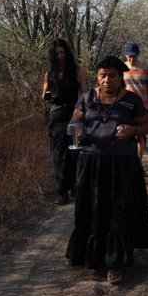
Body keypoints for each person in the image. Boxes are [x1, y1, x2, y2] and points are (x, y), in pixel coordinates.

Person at [65, 55, 148, 285]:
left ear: (120, 77)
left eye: (112, 76)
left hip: (122, 164)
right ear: (97, 77)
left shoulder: (131, 100)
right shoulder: (86, 99)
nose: (107, 80)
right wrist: (78, 132)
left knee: (119, 211)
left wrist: (133, 130)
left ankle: (115, 263)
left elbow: (147, 125)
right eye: (102, 75)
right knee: (92, 208)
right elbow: (73, 124)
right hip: (91, 163)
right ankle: (92, 256)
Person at [42, 39, 87, 205]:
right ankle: (62, 191)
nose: (60, 56)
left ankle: (77, 189)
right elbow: (44, 95)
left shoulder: (77, 71)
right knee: (59, 155)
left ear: (67, 53)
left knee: (76, 152)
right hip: (56, 115)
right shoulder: (49, 73)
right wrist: (47, 95)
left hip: (74, 113)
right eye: (56, 53)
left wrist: (84, 114)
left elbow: (84, 94)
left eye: (62, 52)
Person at [122, 42, 148, 160]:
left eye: (134, 56)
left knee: (140, 136)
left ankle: (139, 163)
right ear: (125, 55)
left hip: (142, 107)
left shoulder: (146, 69)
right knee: (124, 135)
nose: (132, 59)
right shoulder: (121, 69)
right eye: (129, 56)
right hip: (124, 108)